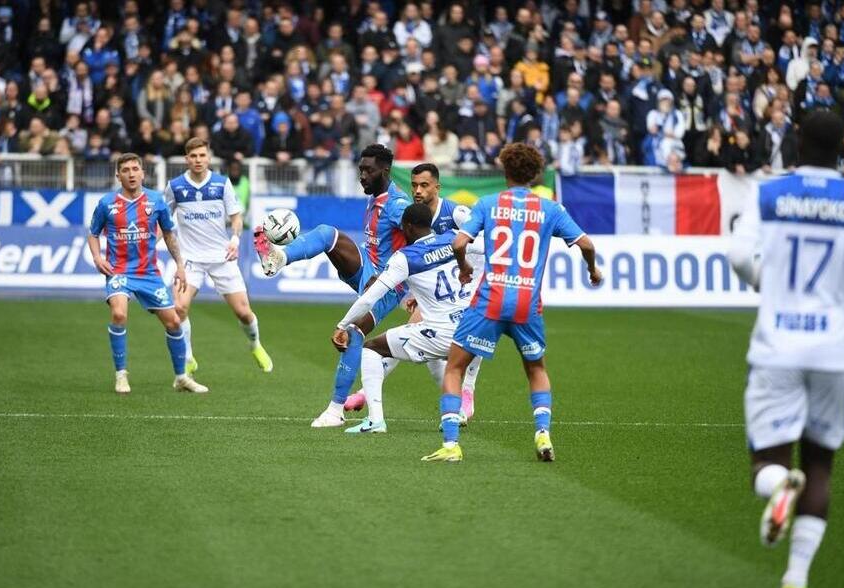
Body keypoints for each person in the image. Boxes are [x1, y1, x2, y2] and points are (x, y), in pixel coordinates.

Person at [727, 111, 844, 588]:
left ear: (796, 142)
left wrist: (765, 282)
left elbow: (737, 255)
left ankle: (778, 485)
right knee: (821, 467)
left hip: (778, 346)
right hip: (835, 352)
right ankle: (795, 582)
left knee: (767, 465)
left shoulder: (768, 192)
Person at [422, 143, 603, 462]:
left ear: (504, 171)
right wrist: (593, 269)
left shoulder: (488, 203)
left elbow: (459, 242)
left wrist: (464, 266)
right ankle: (543, 433)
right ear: (535, 174)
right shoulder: (551, 209)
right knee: (536, 368)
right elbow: (586, 244)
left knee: (454, 367)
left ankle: (451, 445)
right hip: (526, 303)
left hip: (490, 300)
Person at [254, 144, 411, 428]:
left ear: (385, 171)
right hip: (367, 267)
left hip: (387, 284)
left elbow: (419, 237)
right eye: (360, 169)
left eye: (368, 170)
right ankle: (279, 257)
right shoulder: (376, 196)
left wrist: (405, 278)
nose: (362, 175)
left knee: (352, 333)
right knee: (328, 234)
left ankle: (335, 410)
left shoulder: (397, 205)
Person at [344, 163, 485, 423]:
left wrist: (469, 271)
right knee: (419, 335)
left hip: (471, 283)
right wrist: (415, 291)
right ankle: (451, 400)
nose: (418, 191)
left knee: (427, 331)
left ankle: (467, 392)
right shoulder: (414, 216)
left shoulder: (455, 213)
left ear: (437, 187)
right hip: (443, 287)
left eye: (424, 185)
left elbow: (484, 244)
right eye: (414, 185)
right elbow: (422, 259)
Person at [86, 153, 207, 395]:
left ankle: (181, 377)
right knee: (119, 314)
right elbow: (93, 233)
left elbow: (169, 234)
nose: (131, 174)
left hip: (148, 273)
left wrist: (180, 265)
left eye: (135, 169)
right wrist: (98, 257)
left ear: (143, 173)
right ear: (117, 175)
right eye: (126, 170)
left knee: (174, 322)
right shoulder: (106, 203)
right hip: (119, 270)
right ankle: (121, 375)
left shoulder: (156, 201)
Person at [165, 138, 273, 376]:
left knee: (244, 313)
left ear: (208, 157)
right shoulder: (175, 187)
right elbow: (164, 219)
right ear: (186, 159)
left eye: (202, 156)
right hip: (190, 259)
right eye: (193, 156)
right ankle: (188, 358)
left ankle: (255, 345)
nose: (198, 160)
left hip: (221, 257)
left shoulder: (221, 184)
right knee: (179, 308)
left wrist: (235, 239)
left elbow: (235, 217)